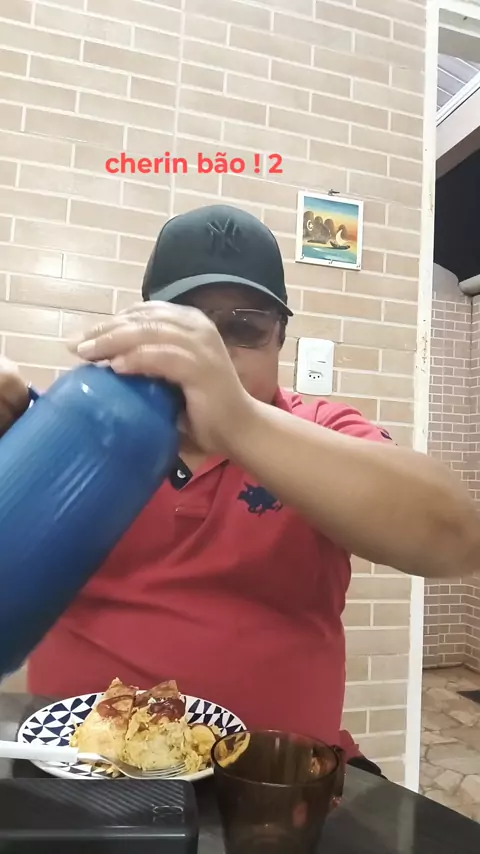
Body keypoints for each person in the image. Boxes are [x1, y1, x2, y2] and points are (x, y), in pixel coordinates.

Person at [0, 204, 478, 776]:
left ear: (280, 338)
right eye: (186, 325)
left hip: (270, 788)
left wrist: (238, 421)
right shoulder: (79, 432)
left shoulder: (320, 430)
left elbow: (455, 540)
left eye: (244, 328)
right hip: (75, 769)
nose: (212, 353)